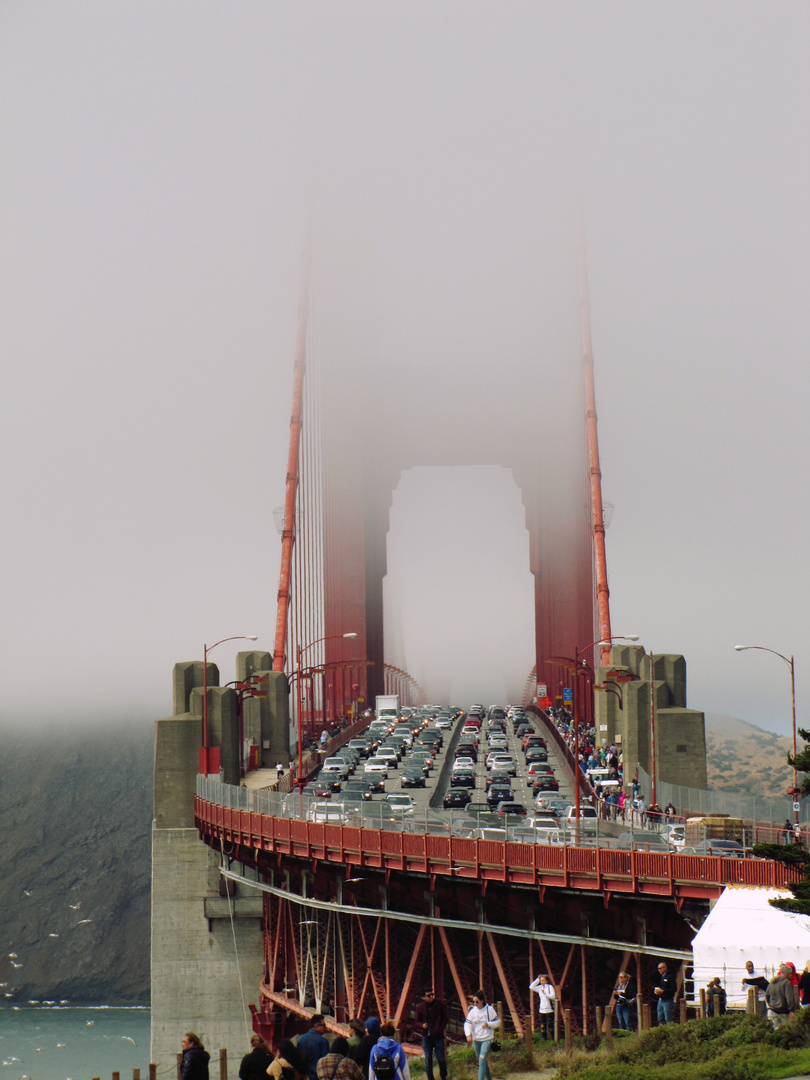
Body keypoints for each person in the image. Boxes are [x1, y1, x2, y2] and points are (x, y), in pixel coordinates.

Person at [464, 990, 500, 1080]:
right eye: (474, 1002)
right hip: (476, 1040)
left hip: (487, 1039)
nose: (475, 1004)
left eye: (477, 1002)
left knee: (482, 1059)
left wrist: (488, 1024)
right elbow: (467, 1023)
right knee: (482, 1062)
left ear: (482, 1001)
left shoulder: (489, 1009)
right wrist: (468, 1034)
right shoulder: (473, 1011)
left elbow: (497, 1022)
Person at [413, 987, 448, 1080]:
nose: (432, 997)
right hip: (426, 1037)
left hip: (438, 1036)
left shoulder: (439, 1004)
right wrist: (421, 1026)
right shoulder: (420, 1007)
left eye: (432, 994)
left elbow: (446, 1018)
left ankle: (443, 1076)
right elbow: (416, 1022)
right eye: (429, 995)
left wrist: (440, 1028)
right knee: (428, 1060)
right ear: (423, 997)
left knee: (441, 1059)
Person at [297, 1016, 330, 1080]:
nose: (325, 1028)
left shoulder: (300, 1039)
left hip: (304, 1075)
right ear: (316, 1026)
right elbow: (326, 1062)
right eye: (324, 1025)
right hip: (317, 1076)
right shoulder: (323, 1041)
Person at [528, 974, 556, 1039]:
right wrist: (537, 979)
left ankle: (552, 1040)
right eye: (541, 980)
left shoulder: (550, 987)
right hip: (542, 1010)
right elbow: (531, 987)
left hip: (549, 1010)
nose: (542, 982)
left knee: (550, 1027)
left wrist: (545, 993)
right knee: (543, 1027)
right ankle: (545, 1040)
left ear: (546, 981)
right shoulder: (540, 988)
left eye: (543, 980)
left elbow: (553, 997)